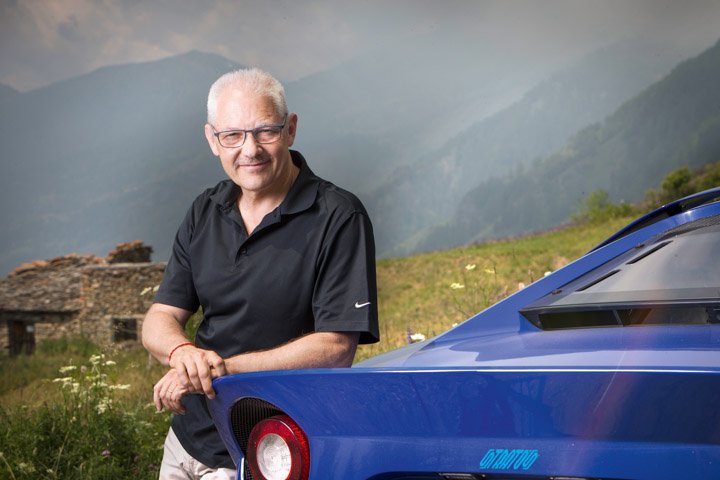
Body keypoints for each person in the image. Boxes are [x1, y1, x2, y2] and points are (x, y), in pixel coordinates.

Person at [142, 67, 379, 479]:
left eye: (265, 131)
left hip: (268, 450)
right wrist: (183, 355)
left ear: (291, 130)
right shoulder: (204, 210)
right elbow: (161, 315)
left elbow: (336, 348)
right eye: (232, 135)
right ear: (212, 140)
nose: (249, 149)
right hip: (185, 440)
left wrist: (218, 370)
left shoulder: (339, 216)